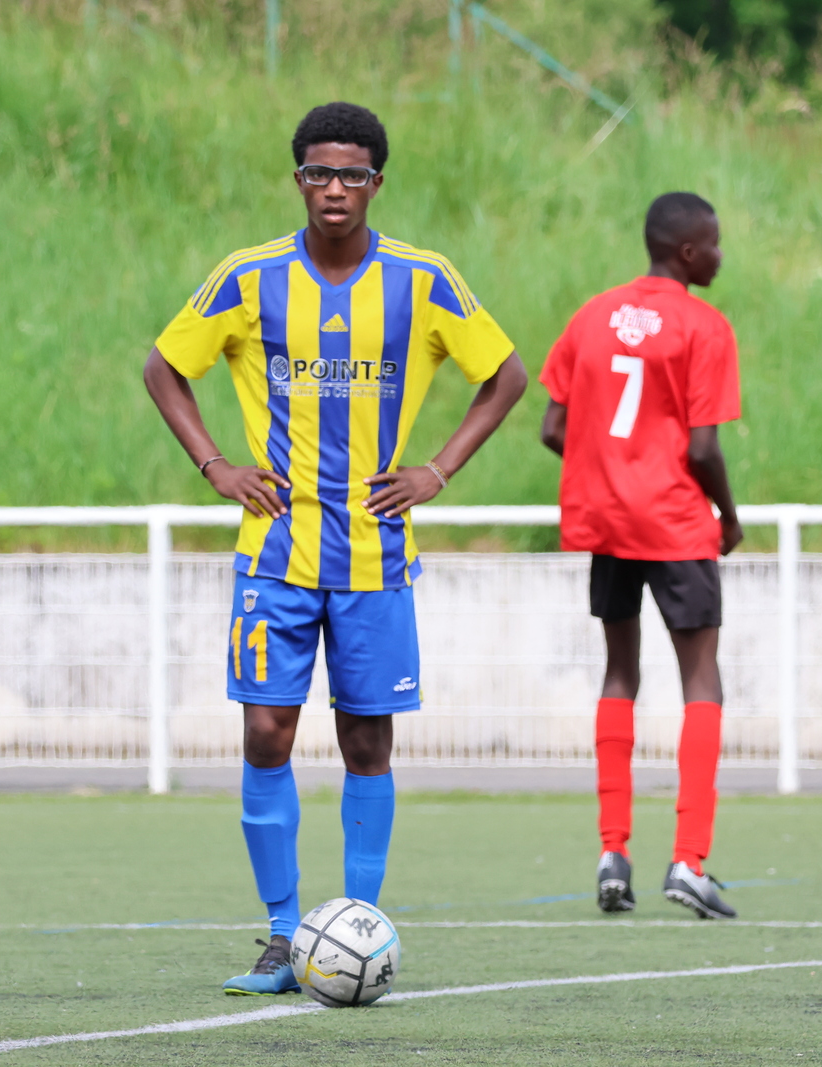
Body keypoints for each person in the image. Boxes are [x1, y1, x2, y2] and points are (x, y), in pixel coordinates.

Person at [144, 102, 526, 993]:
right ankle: (284, 934)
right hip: (274, 553)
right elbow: (164, 366)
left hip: (374, 557)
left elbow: (507, 375)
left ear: (377, 183)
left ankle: (357, 927)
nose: (335, 189)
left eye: (352, 174)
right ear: (299, 180)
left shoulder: (424, 280)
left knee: (365, 740)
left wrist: (437, 470)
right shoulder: (248, 277)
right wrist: (214, 465)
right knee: (265, 731)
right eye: (319, 172)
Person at [538, 191, 743, 920]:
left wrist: (610, 471)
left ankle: (612, 853)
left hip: (608, 522)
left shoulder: (592, 316)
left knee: (619, 671)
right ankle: (689, 860)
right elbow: (703, 447)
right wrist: (729, 516)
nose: (720, 255)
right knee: (701, 680)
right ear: (688, 251)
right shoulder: (704, 325)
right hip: (676, 522)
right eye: (714, 243)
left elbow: (553, 427)